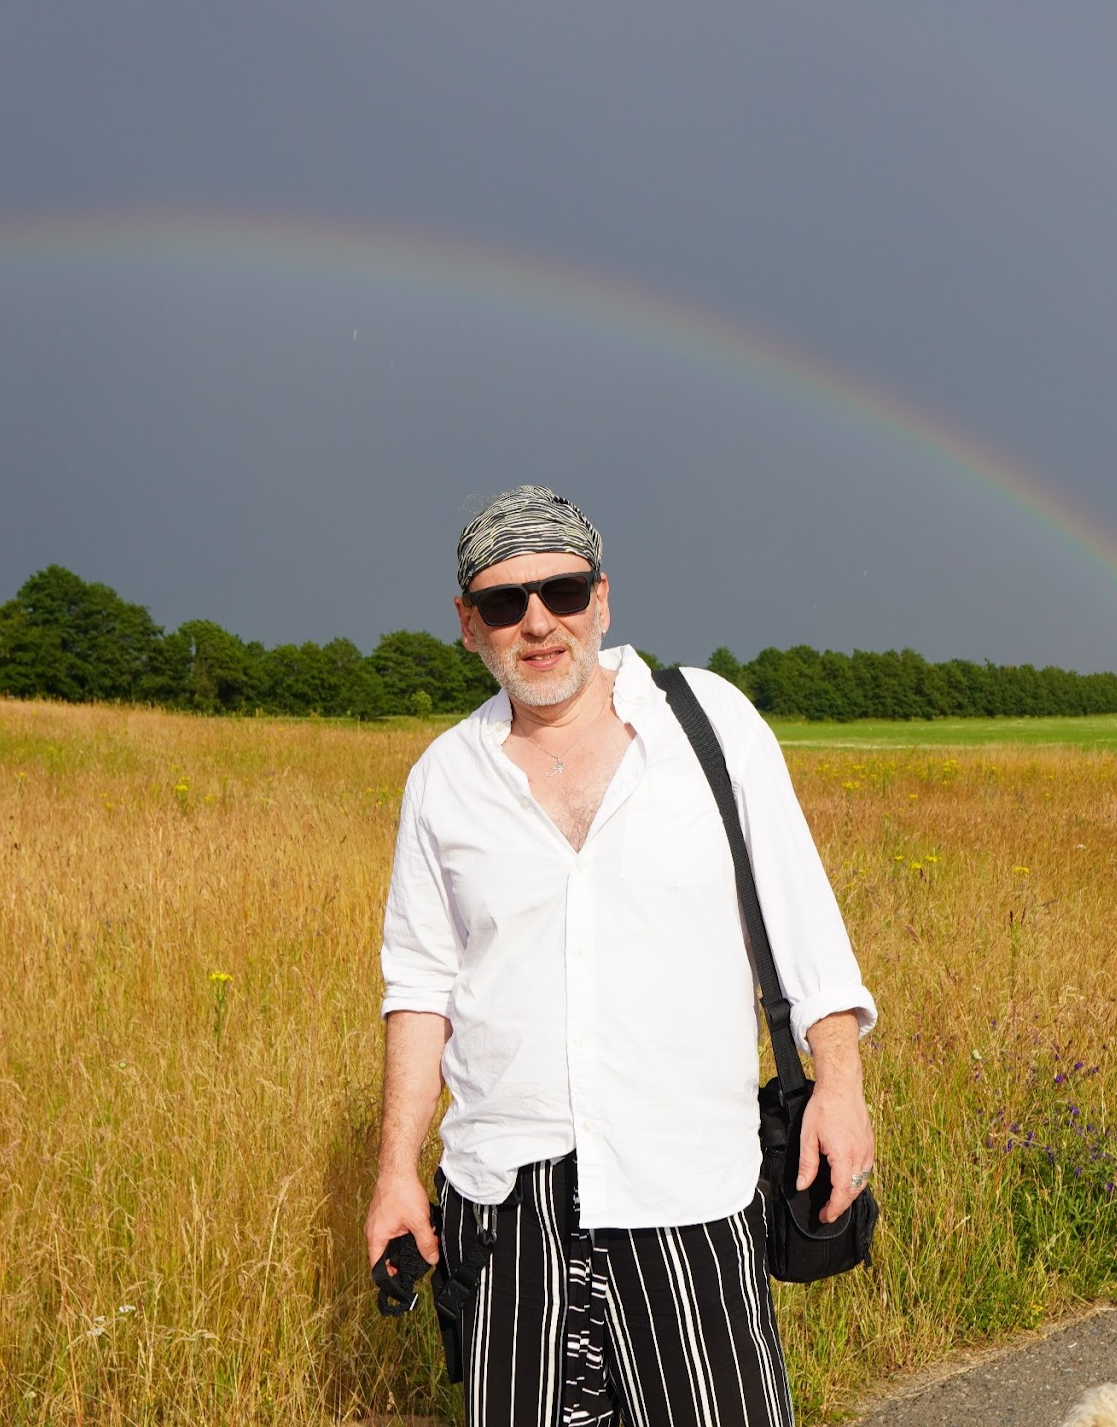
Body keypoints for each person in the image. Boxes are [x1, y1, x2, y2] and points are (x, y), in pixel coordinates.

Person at [365, 485, 878, 1426]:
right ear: (468, 625)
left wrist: (839, 1086)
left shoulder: (709, 723)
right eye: (504, 603)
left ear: (600, 598)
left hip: (687, 1190)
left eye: (561, 592)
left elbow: (804, 923)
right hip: (506, 1206)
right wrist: (397, 1167)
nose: (537, 622)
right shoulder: (444, 778)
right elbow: (421, 986)